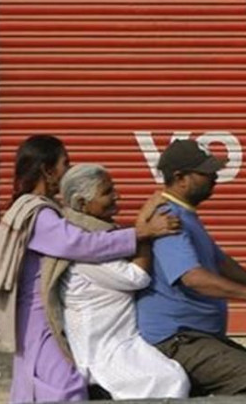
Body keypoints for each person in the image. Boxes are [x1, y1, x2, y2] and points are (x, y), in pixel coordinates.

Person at [0, 135, 179, 403]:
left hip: (46, 312)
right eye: (64, 164)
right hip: (38, 316)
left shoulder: (45, 210)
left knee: (39, 380)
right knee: (63, 385)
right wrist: (140, 233)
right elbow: (80, 244)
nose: (68, 170)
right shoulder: (40, 214)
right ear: (48, 170)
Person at [136, 139, 246, 396]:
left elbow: (222, 263)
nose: (214, 177)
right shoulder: (167, 218)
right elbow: (193, 277)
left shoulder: (186, 215)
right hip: (175, 339)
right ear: (180, 178)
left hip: (197, 337)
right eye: (206, 172)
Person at [58, 163, 190, 399]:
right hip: (103, 352)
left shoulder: (100, 235)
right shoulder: (82, 246)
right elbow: (137, 277)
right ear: (81, 204)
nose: (117, 195)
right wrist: (146, 230)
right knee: (170, 380)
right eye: (107, 192)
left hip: (123, 341)